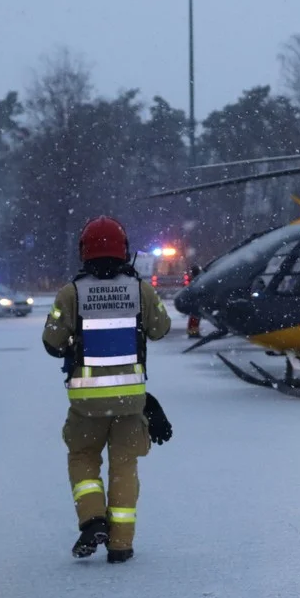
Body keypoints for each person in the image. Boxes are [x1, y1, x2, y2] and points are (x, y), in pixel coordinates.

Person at [42, 216, 171, 564]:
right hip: (131, 400)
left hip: (86, 402)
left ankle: (93, 518)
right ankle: (121, 544)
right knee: (124, 466)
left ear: (84, 252)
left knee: (83, 457)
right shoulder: (140, 290)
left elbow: (51, 342)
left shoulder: (71, 293)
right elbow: (161, 329)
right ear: (124, 252)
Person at [186, 264, 203, 339]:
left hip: (193, 301)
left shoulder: (192, 279)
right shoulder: (197, 280)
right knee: (195, 318)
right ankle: (193, 333)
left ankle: (193, 332)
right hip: (195, 301)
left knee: (194, 318)